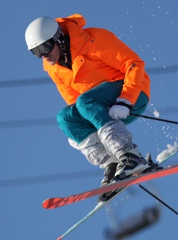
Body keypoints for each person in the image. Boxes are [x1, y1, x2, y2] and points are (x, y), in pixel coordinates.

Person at [25, 14, 156, 193]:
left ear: (59, 39)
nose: (44, 55)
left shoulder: (93, 40)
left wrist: (126, 100)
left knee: (85, 101)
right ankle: (112, 162)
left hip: (133, 93)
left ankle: (130, 154)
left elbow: (133, 64)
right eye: (36, 52)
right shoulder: (54, 69)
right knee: (66, 118)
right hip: (100, 109)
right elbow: (74, 102)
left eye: (45, 47)